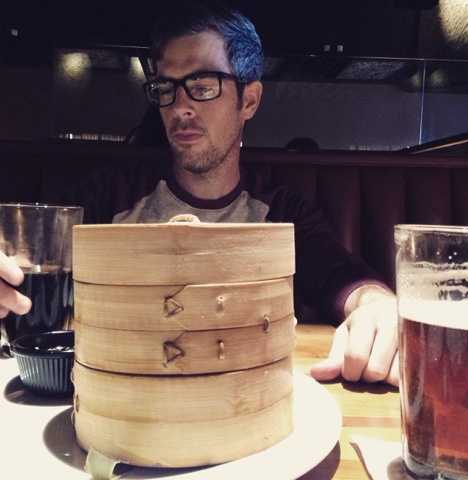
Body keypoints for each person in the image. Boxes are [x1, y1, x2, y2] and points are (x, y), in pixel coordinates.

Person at [0, 1, 398, 386]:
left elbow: (342, 276)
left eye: (202, 87)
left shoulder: (282, 213)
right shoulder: (109, 196)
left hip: (244, 399)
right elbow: (34, 257)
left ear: (249, 100)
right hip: (120, 396)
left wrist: (376, 306)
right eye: (166, 88)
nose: (180, 108)